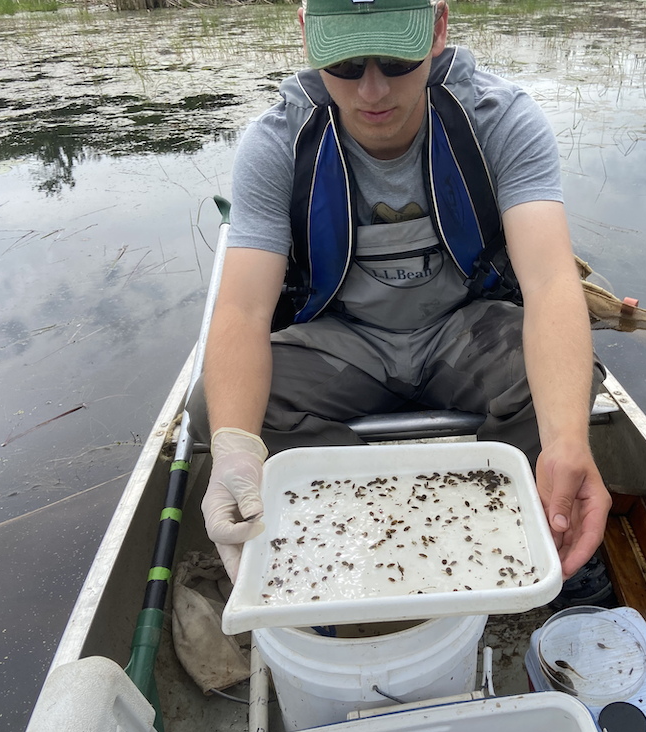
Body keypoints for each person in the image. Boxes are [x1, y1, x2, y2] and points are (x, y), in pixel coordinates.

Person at [189, 0, 611, 584]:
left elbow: (549, 283)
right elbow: (241, 308)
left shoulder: (499, 117)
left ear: (437, 29)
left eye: (395, 58)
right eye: (345, 64)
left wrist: (567, 442)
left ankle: (517, 518)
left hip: (461, 330)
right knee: (217, 409)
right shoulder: (278, 142)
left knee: (567, 384)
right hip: (344, 340)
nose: (372, 90)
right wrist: (234, 451)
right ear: (309, 39)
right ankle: (354, 525)